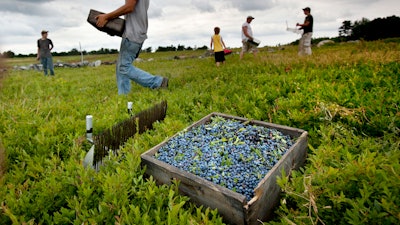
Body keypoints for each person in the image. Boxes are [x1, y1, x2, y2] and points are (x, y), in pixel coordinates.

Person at [95, 0, 168, 95]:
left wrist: (106, 16)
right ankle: (124, 95)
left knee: (124, 67)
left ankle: (158, 82)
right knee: (121, 67)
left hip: (133, 34)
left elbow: (129, 7)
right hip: (136, 32)